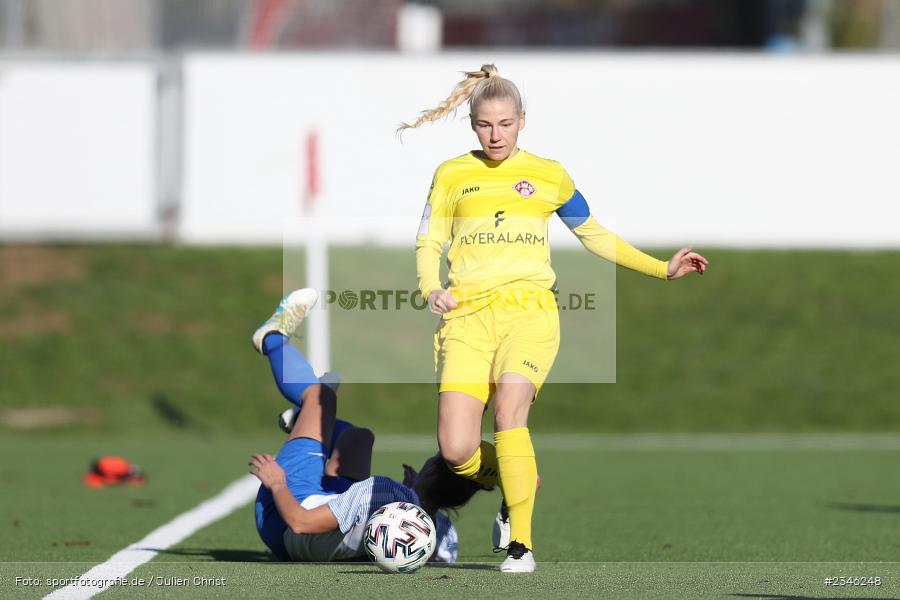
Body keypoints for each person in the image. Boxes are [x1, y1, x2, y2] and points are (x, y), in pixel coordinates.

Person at [402, 64, 710, 572]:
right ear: (472, 125)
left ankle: (520, 544)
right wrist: (431, 288)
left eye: (505, 123)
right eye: (485, 125)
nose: (495, 134)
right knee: (456, 449)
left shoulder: (549, 174)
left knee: (509, 418)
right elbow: (428, 240)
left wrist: (662, 269)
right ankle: (512, 479)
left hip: (530, 315)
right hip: (466, 321)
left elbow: (593, 233)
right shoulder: (452, 173)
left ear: (522, 120)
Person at [249, 288, 484, 563]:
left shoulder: (384, 492)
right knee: (359, 438)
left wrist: (277, 482)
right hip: (316, 526)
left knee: (320, 396)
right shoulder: (441, 537)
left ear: (430, 472)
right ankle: (307, 419)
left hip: (282, 515)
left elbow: (301, 522)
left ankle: (272, 337)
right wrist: (414, 492)